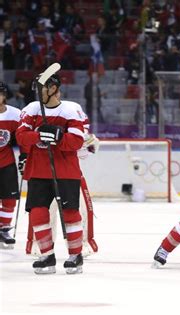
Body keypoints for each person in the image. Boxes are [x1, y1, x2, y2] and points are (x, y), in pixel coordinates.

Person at [16, 73, 86, 275]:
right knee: (37, 212)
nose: (38, 92)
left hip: (65, 170)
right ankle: (47, 255)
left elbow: (76, 141)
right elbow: (21, 137)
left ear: (53, 88)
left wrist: (58, 137)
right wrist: (41, 135)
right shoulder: (31, 109)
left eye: (42, 88)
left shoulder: (71, 109)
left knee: (70, 212)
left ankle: (75, 255)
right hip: (38, 169)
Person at [25, 113, 100, 257]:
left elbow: (82, 154)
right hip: (45, 174)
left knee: (79, 210)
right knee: (41, 211)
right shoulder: (42, 122)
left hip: (69, 175)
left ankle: (82, 243)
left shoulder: (75, 127)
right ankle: (40, 243)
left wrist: (87, 144)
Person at [0, 82, 22, 249]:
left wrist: (25, 156)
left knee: (9, 199)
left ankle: (3, 229)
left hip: (6, 163)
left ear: (4, 95)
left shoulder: (15, 114)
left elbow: (23, 138)